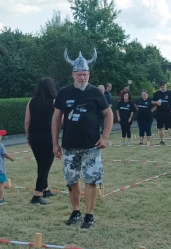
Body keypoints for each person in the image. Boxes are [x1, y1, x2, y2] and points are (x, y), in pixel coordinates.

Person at [52, 58, 113, 229]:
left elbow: (109, 114)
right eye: (79, 75)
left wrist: (105, 137)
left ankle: (89, 214)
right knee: (71, 179)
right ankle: (76, 210)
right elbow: (56, 118)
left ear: (89, 74)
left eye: (85, 74)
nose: (82, 78)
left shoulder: (96, 93)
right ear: (73, 75)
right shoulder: (64, 93)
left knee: (91, 180)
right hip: (70, 146)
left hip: (92, 146)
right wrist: (55, 143)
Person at [24, 77, 58, 205]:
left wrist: (28, 137)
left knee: (41, 164)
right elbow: (59, 120)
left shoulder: (31, 101)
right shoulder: (54, 101)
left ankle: (45, 189)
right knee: (45, 166)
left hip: (34, 136)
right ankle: (37, 195)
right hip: (48, 136)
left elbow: (27, 122)